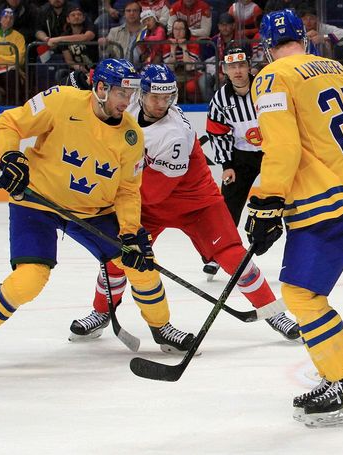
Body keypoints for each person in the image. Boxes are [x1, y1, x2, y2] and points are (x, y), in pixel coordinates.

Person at [0, 59, 197, 368]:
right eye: (122, 93)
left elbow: (128, 190)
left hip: (94, 211)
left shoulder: (131, 135)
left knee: (143, 264)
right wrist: (10, 155)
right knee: (29, 279)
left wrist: (131, 232)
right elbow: (9, 123)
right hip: (38, 202)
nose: (128, 101)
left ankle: (162, 328)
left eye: (132, 93)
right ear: (101, 88)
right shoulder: (61, 100)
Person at [68, 64, 301, 344]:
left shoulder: (173, 135)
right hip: (150, 203)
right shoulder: (126, 110)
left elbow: (152, 192)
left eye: (167, 98)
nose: (161, 104)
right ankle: (101, 311)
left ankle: (272, 311)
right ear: (140, 95)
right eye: (155, 97)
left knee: (233, 256)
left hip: (196, 203)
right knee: (118, 255)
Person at [247, 9, 343, 427]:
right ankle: (338, 374)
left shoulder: (271, 77)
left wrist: (267, 200)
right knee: (306, 293)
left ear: (267, 46)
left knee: (302, 296)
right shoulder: (334, 67)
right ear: (303, 39)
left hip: (322, 200)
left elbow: (283, 148)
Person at [207, 46, 262, 227]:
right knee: (227, 210)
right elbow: (217, 132)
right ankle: (224, 251)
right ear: (224, 69)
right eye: (232, 66)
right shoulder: (220, 99)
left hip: (274, 154)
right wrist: (227, 165)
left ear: (249, 66)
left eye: (241, 65)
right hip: (242, 157)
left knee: (291, 201)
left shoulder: (265, 88)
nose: (237, 71)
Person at [163, 18, 207, 102]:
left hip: (193, 74)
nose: (178, 32)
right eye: (175, 29)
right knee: (173, 86)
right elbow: (170, 68)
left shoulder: (193, 42)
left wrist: (184, 48)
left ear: (186, 30)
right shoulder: (167, 44)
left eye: (181, 29)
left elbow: (189, 67)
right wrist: (172, 49)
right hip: (175, 74)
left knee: (190, 87)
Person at [59, 6, 97, 75]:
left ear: (83, 18)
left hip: (95, 69)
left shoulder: (91, 28)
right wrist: (77, 67)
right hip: (77, 71)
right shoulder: (65, 35)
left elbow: (85, 37)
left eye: (79, 14)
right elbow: (68, 60)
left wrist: (57, 39)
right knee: (60, 73)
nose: (76, 17)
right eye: (73, 15)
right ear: (68, 19)